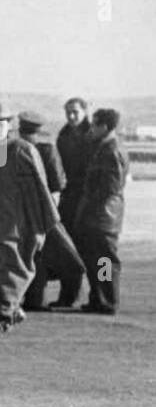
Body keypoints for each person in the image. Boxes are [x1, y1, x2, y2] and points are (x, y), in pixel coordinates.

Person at [0, 102, 57, 339]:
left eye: (1, 124)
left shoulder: (23, 150)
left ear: (9, 125)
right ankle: (11, 308)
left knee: (9, 271)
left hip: (15, 225)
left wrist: (40, 226)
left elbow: (40, 190)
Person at [20, 111, 85, 311]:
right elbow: (57, 188)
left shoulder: (18, 148)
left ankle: (104, 296)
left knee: (102, 259)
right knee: (92, 259)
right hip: (67, 215)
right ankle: (102, 296)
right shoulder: (48, 150)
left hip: (39, 215)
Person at [75, 108, 129, 314]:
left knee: (105, 260)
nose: (91, 129)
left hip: (104, 217)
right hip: (100, 215)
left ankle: (107, 299)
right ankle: (98, 297)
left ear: (104, 127)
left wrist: (91, 202)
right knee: (97, 260)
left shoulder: (111, 150)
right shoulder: (105, 147)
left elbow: (111, 187)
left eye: (94, 125)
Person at [53, 97, 94, 306]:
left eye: (75, 112)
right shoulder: (64, 135)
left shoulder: (95, 137)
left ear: (85, 112)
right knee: (68, 250)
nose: (71, 116)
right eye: (68, 112)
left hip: (93, 204)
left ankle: (104, 296)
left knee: (101, 257)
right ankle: (68, 295)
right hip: (70, 199)